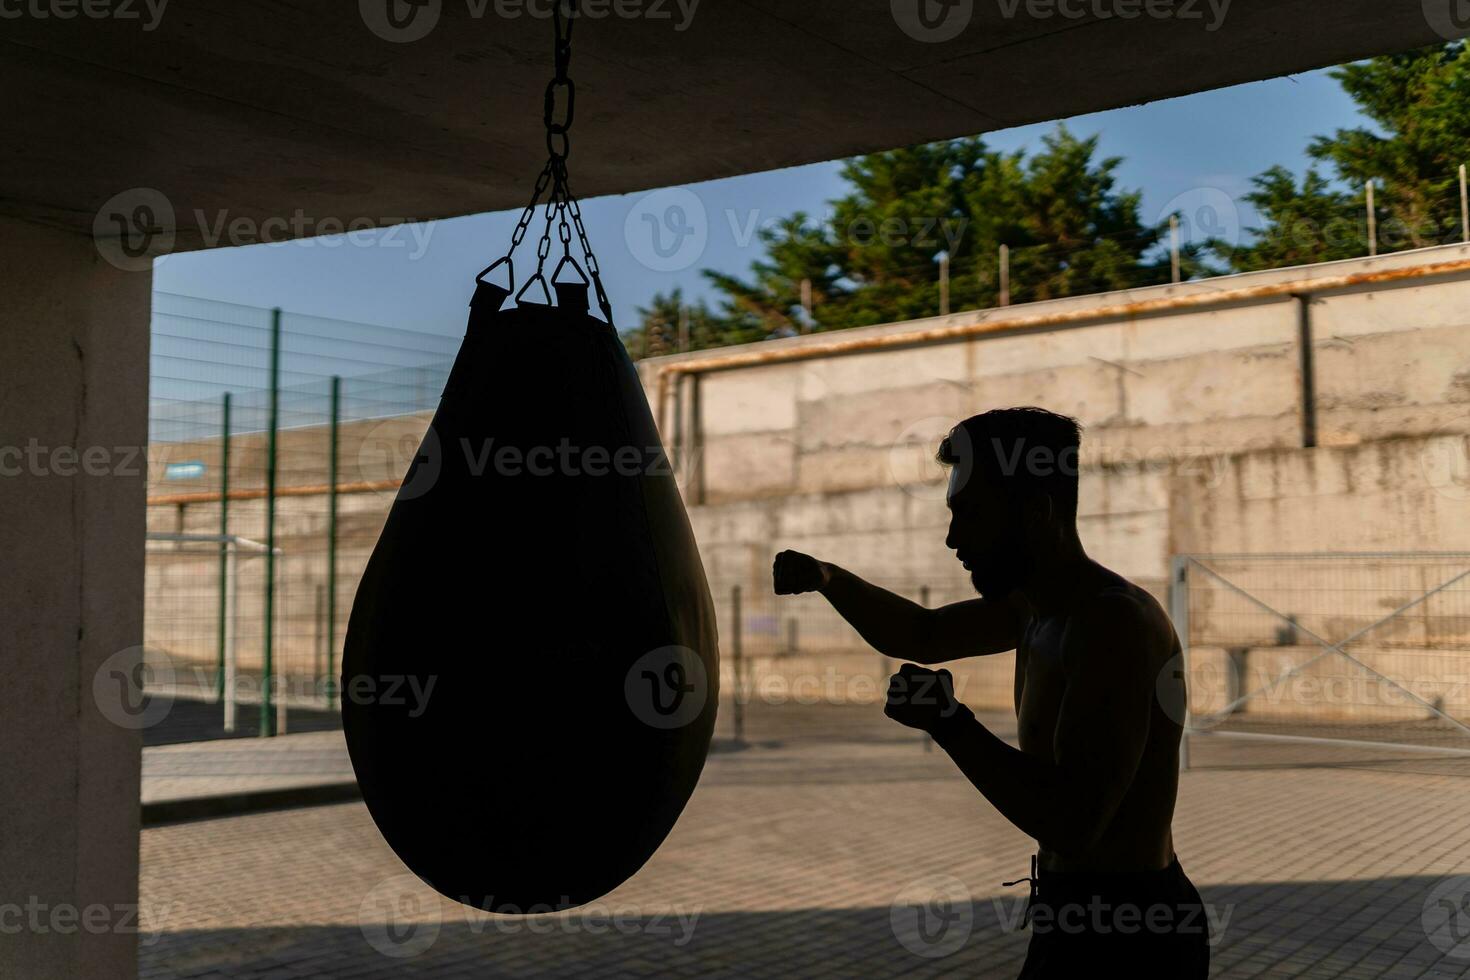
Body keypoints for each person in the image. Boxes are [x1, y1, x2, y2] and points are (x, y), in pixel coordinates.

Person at [772, 406, 1210, 977]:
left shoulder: (1112, 624)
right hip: (1076, 918)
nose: (953, 538)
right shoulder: (1035, 608)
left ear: (1035, 513)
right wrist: (828, 578)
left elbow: (1074, 822)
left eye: (970, 515)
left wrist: (950, 723)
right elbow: (922, 635)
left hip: (1132, 938)